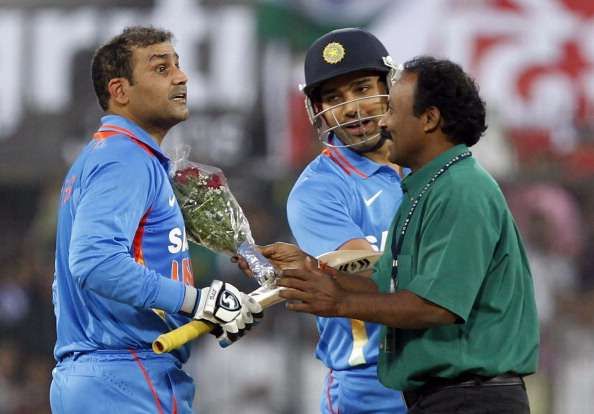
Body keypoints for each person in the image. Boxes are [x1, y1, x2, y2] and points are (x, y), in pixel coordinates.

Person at [267, 56, 539, 413]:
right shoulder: (425, 187)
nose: (384, 121)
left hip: (470, 394)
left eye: (391, 107)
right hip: (422, 390)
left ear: (428, 118)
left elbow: (434, 304)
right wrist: (311, 267)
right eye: (333, 98)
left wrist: (338, 301)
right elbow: (390, 283)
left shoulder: (461, 188)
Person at [50, 26, 262, 413]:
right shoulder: (125, 158)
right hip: (126, 378)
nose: (181, 77)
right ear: (120, 91)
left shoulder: (104, 156)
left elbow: (66, 277)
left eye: (178, 66)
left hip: (99, 377)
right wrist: (198, 303)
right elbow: (94, 262)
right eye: (161, 69)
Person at [287, 28, 406, 413]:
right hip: (369, 391)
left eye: (361, 88)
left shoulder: (429, 163)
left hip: (445, 378)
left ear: (390, 86)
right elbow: (366, 275)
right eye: (334, 98)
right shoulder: (318, 190)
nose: (351, 108)